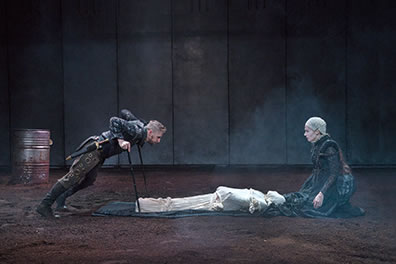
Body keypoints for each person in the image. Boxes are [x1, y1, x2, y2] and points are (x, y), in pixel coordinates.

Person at [135, 117, 364, 218]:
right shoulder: (320, 145)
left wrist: (322, 194)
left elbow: (333, 173)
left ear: (317, 131)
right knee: (290, 199)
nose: (304, 134)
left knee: (292, 203)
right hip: (315, 186)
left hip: (324, 189)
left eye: (307, 131)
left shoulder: (329, 147)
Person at [36, 109, 166, 217]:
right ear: (150, 132)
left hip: (101, 155)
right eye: (158, 137)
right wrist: (121, 140)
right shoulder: (136, 130)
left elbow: (124, 112)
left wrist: (133, 120)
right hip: (95, 150)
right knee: (72, 177)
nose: (158, 140)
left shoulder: (138, 127)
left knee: (88, 180)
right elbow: (114, 120)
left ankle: (62, 197)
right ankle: (44, 205)